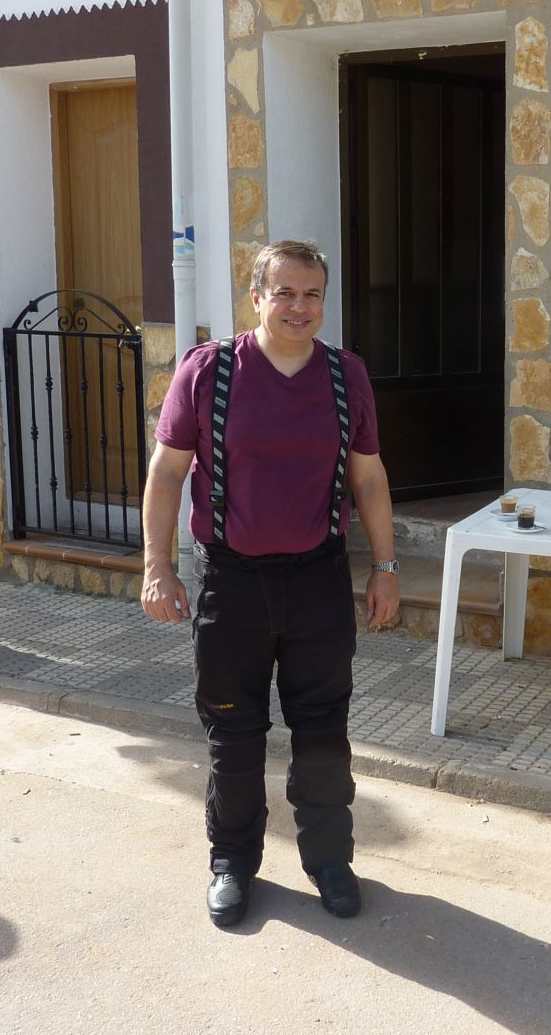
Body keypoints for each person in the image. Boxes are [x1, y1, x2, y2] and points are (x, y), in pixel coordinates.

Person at [140, 240, 401, 929]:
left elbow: (369, 476)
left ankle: (330, 861)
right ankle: (232, 862)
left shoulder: (345, 374)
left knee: (323, 730)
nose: (298, 307)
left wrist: (385, 565)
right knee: (234, 732)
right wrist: (157, 567)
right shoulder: (209, 370)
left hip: (318, 578)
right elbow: (167, 473)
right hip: (231, 579)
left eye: (312, 294)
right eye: (284, 292)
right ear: (256, 298)